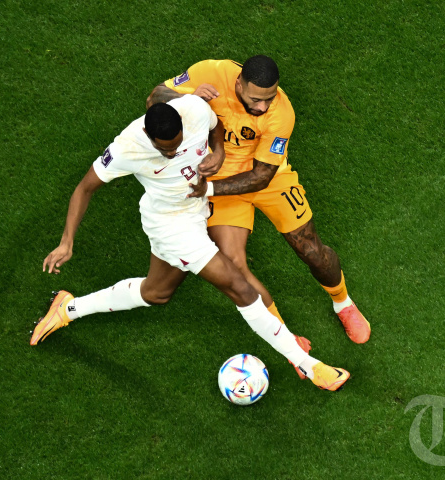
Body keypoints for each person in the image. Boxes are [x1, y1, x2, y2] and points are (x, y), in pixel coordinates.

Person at [31, 95, 349, 391]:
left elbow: (215, 125)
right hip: (171, 227)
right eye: (164, 151)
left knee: (156, 293)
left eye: (176, 146)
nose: (172, 153)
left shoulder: (194, 109)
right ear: (148, 134)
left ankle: (68, 308)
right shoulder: (127, 147)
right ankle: (308, 366)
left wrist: (219, 152)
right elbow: (84, 188)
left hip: (198, 209)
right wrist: (66, 242)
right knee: (240, 287)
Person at [146, 55, 371, 344]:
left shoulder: (281, 114)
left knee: (311, 250)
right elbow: (155, 96)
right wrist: (189, 98)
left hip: (265, 178)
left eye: (269, 98)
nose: (262, 107)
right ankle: (285, 339)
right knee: (234, 264)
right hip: (218, 175)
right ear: (238, 83)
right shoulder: (211, 72)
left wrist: (208, 190)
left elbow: (261, 177)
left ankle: (343, 303)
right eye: (256, 99)